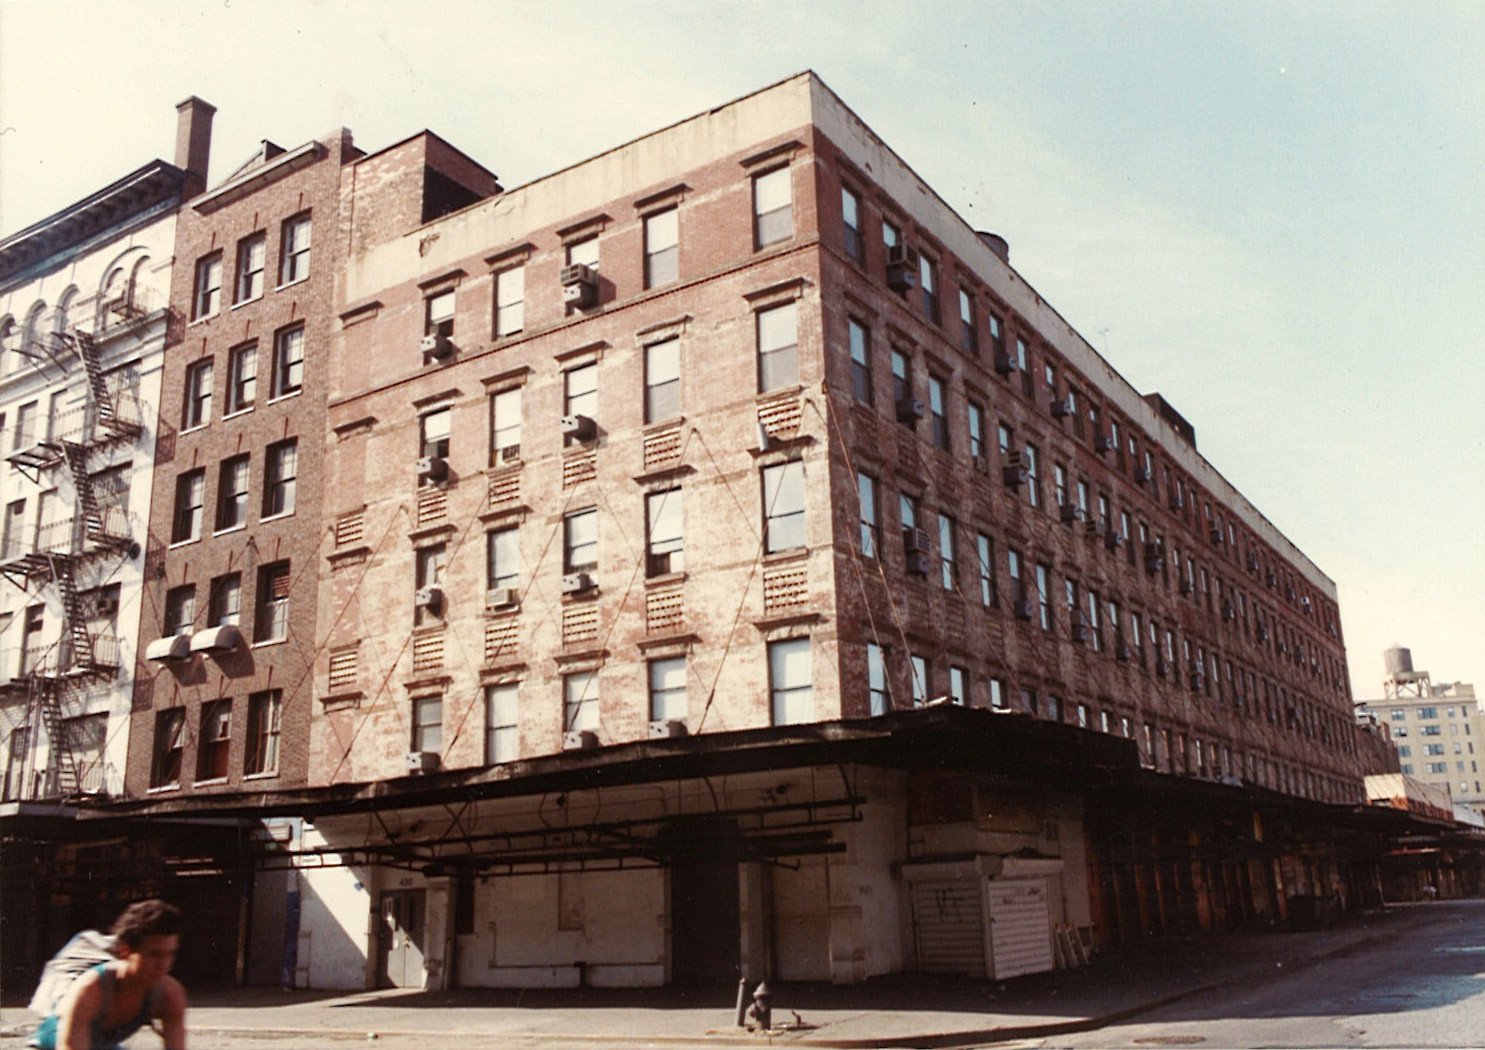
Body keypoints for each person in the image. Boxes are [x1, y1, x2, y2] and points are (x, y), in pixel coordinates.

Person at [31, 899, 188, 1050]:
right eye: (155, 955)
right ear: (125, 951)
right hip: (58, 1040)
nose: (164, 964)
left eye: (170, 954)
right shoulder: (90, 990)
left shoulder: (170, 994)